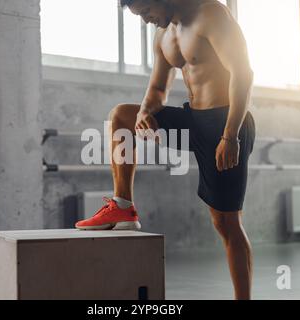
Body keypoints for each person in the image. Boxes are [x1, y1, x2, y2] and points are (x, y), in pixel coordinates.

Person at [76, 0, 256, 300]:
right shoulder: (164, 35)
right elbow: (159, 89)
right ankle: (123, 206)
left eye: (147, 13)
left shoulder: (210, 13)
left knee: (226, 223)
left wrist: (230, 136)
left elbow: (243, 73)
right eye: (141, 17)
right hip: (193, 119)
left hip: (226, 123)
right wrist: (146, 111)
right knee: (123, 115)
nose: (147, 21)